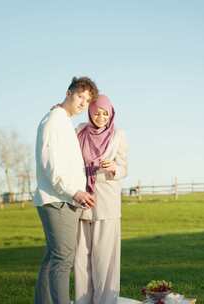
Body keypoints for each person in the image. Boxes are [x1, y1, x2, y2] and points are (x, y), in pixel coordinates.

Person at [33, 77, 99, 304]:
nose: (83, 103)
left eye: (87, 100)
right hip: (58, 200)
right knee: (62, 259)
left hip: (64, 199)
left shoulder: (63, 121)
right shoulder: (54, 121)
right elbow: (50, 166)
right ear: (69, 92)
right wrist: (74, 192)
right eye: (80, 96)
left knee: (53, 257)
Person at [74, 94, 129, 304]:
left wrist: (115, 167)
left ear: (111, 113)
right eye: (97, 112)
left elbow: (124, 168)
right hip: (82, 201)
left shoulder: (119, 135)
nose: (101, 117)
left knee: (105, 259)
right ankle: (83, 300)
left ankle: (106, 301)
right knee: (81, 259)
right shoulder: (79, 131)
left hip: (107, 204)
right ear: (90, 111)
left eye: (106, 113)